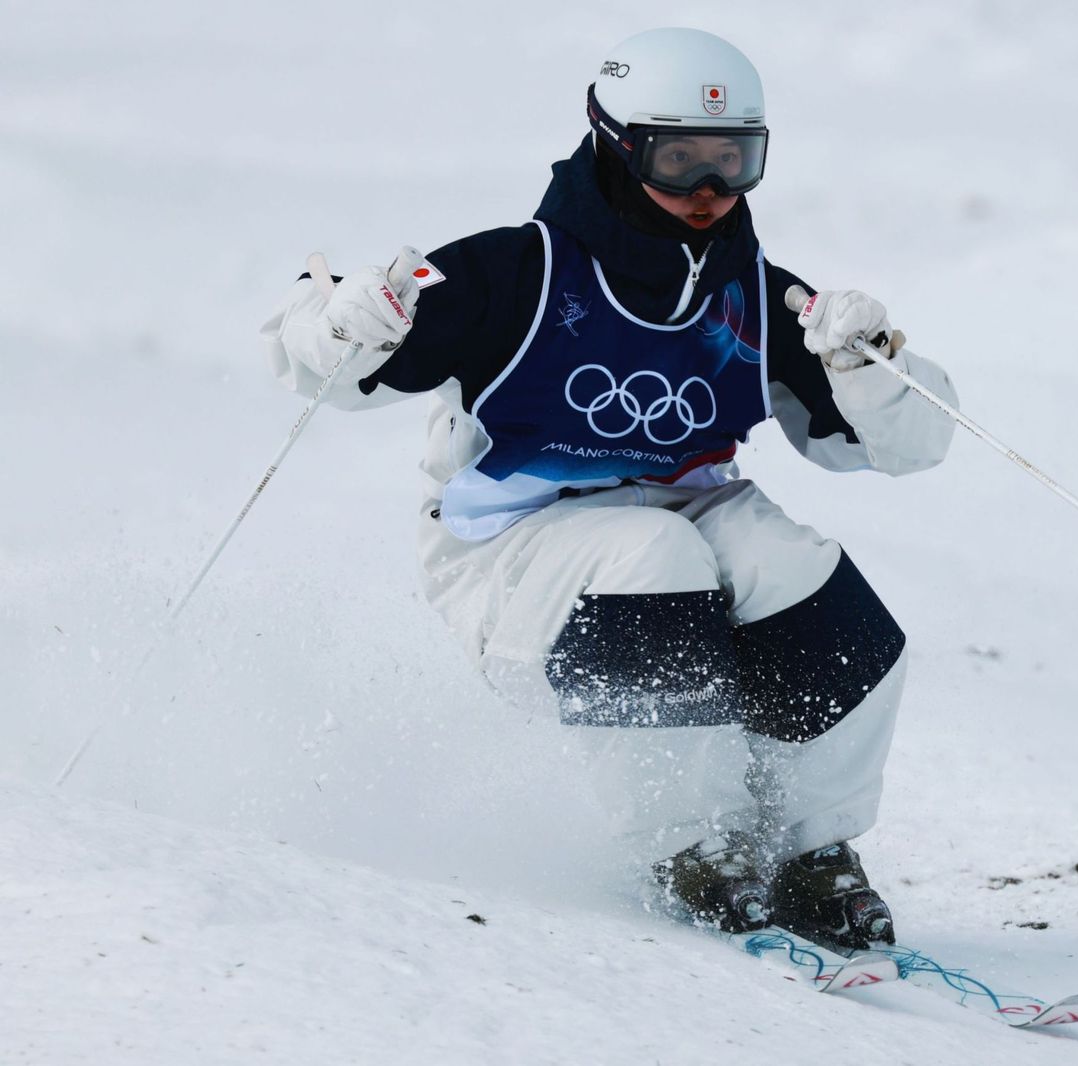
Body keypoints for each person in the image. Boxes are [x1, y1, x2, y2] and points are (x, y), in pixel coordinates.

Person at [261, 27, 958, 948]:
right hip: (512, 552)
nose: (709, 191)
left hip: (689, 518)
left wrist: (869, 372)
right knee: (651, 554)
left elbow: (913, 446)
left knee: (802, 572)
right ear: (617, 144)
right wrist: (339, 324)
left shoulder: (756, 292)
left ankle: (808, 852)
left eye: (735, 161)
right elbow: (330, 367)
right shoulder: (512, 272)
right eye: (680, 159)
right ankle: (689, 845)